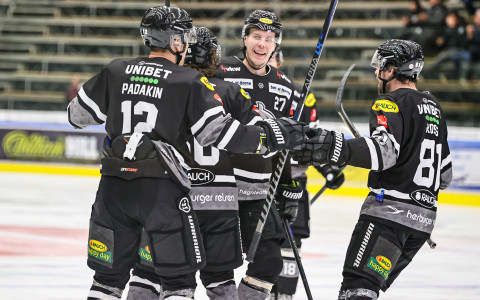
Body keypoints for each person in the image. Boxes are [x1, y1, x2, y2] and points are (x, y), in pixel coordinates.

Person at [67, 6, 307, 300]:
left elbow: (77, 116)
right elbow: (219, 134)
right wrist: (272, 137)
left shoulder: (116, 69)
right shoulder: (187, 81)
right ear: (176, 42)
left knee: (107, 281)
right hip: (162, 193)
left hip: (113, 190)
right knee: (179, 282)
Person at [293, 39, 453, 299]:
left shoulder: (389, 103)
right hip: (421, 225)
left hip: (389, 218)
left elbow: (384, 154)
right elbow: (445, 176)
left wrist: (335, 147)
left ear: (390, 69)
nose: (376, 71)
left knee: (357, 289)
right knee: (367, 289)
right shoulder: (434, 108)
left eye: (380, 65)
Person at [125, 26, 264, 300]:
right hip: (221, 203)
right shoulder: (232, 91)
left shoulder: (164, 86)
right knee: (221, 281)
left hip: (171, 200)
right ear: (212, 57)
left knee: (149, 276)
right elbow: (261, 136)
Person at [215, 10, 303, 299]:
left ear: (276, 44)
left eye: (268, 38)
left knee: (269, 262)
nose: (262, 44)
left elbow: (284, 142)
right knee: (215, 264)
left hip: (256, 191)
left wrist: (289, 185)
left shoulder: (286, 87)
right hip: (218, 188)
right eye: (256, 37)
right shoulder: (220, 71)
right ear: (244, 38)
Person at [268, 48, 345, 300]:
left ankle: (285, 295)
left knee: (292, 241)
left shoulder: (301, 96)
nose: (268, 60)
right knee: (262, 244)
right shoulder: (242, 90)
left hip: (292, 178)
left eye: (273, 56)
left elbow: (310, 139)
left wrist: (327, 167)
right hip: (257, 180)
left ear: (280, 60)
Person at [423, 11, 470, 81]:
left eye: (452, 18)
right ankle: (423, 72)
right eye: (448, 18)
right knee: (438, 62)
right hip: (448, 51)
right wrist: (440, 42)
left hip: (458, 51)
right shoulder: (444, 30)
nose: (449, 20)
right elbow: (440, 43)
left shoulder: (460, 28)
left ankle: (462, 80)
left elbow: (462, 41)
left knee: (464, 65)